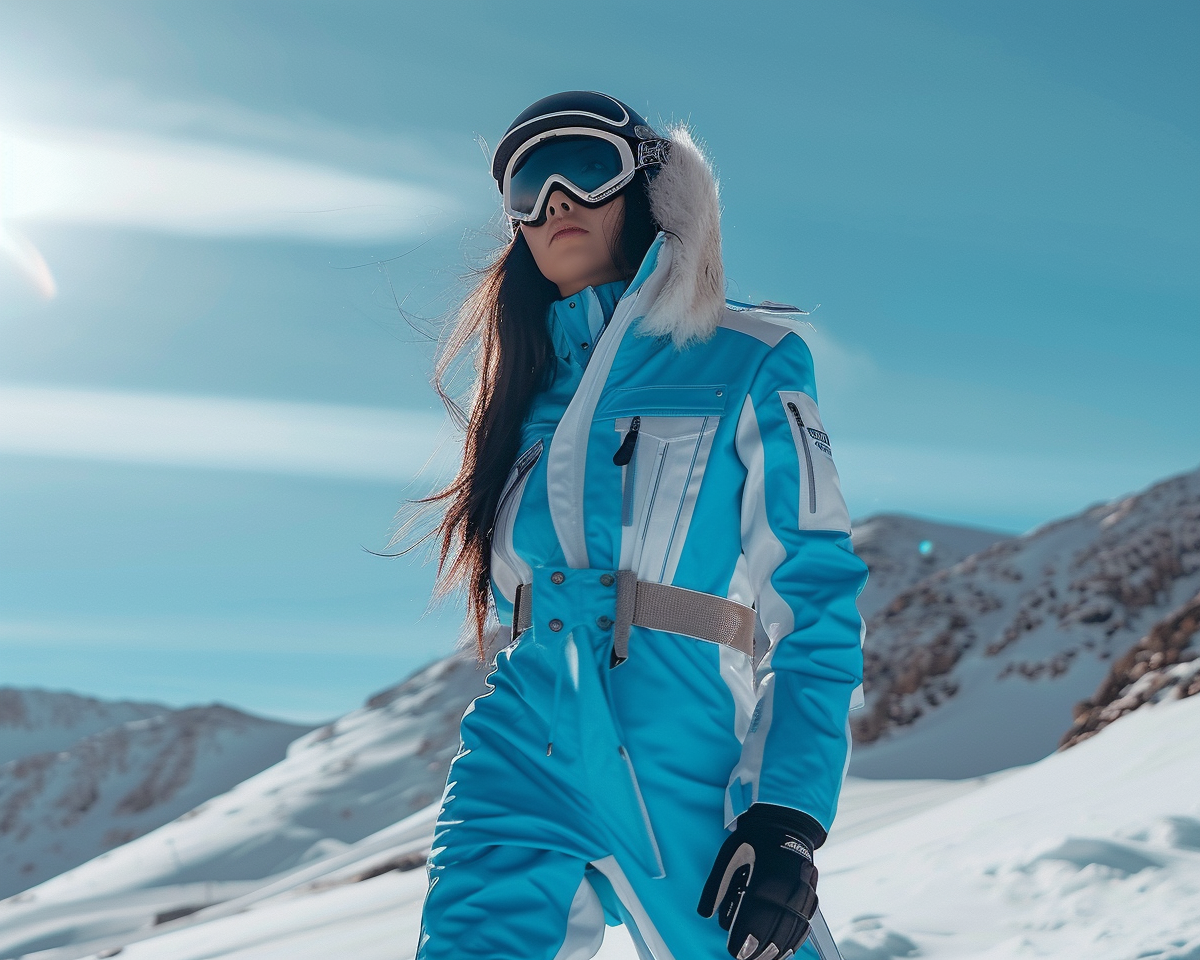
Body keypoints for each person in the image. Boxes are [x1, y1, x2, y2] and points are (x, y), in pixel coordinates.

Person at [413, 91, 867, 960]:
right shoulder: (519, 397)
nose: (554, 205)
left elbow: (818, 602)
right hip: (521, 737)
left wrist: (788, 811)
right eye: (524, 188)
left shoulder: (750, 358)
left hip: (679, 745)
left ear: (650, 186)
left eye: (583, 168)